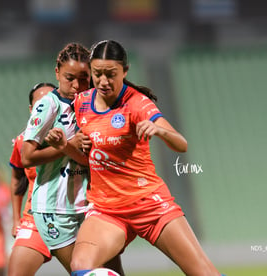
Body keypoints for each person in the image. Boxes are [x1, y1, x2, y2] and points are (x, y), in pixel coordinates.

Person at [45, 40, 222, 276]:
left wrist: (160, 130)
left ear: (125, 71)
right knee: (81, 267)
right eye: (97, 74)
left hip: (149, 203)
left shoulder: (137, 103)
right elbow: (88, 159)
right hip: (107, 209)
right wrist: (64, 145)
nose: (103, 81)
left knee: (204, 273)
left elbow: (181, 144)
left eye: (111, 74)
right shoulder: (82, 103)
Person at [21, 42, 124, 275]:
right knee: (86, 272)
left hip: (89, 207)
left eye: (84, 78)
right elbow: (26, 157)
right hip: (55, 210)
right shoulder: (48, 106)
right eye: (70, 78)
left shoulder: (92, 105)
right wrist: (64, 147)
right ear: (57, 73)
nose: (76, 86)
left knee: (114, 270)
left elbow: (90, 159)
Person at [8, 82, 56, 276]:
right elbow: (17, 177)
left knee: (90, 269)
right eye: (39, 104)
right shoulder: (22, 142)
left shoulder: (77, 133)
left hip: (73, 216)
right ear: (31, 110)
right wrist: (15, 218)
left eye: (50, 102)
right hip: (35, 217)